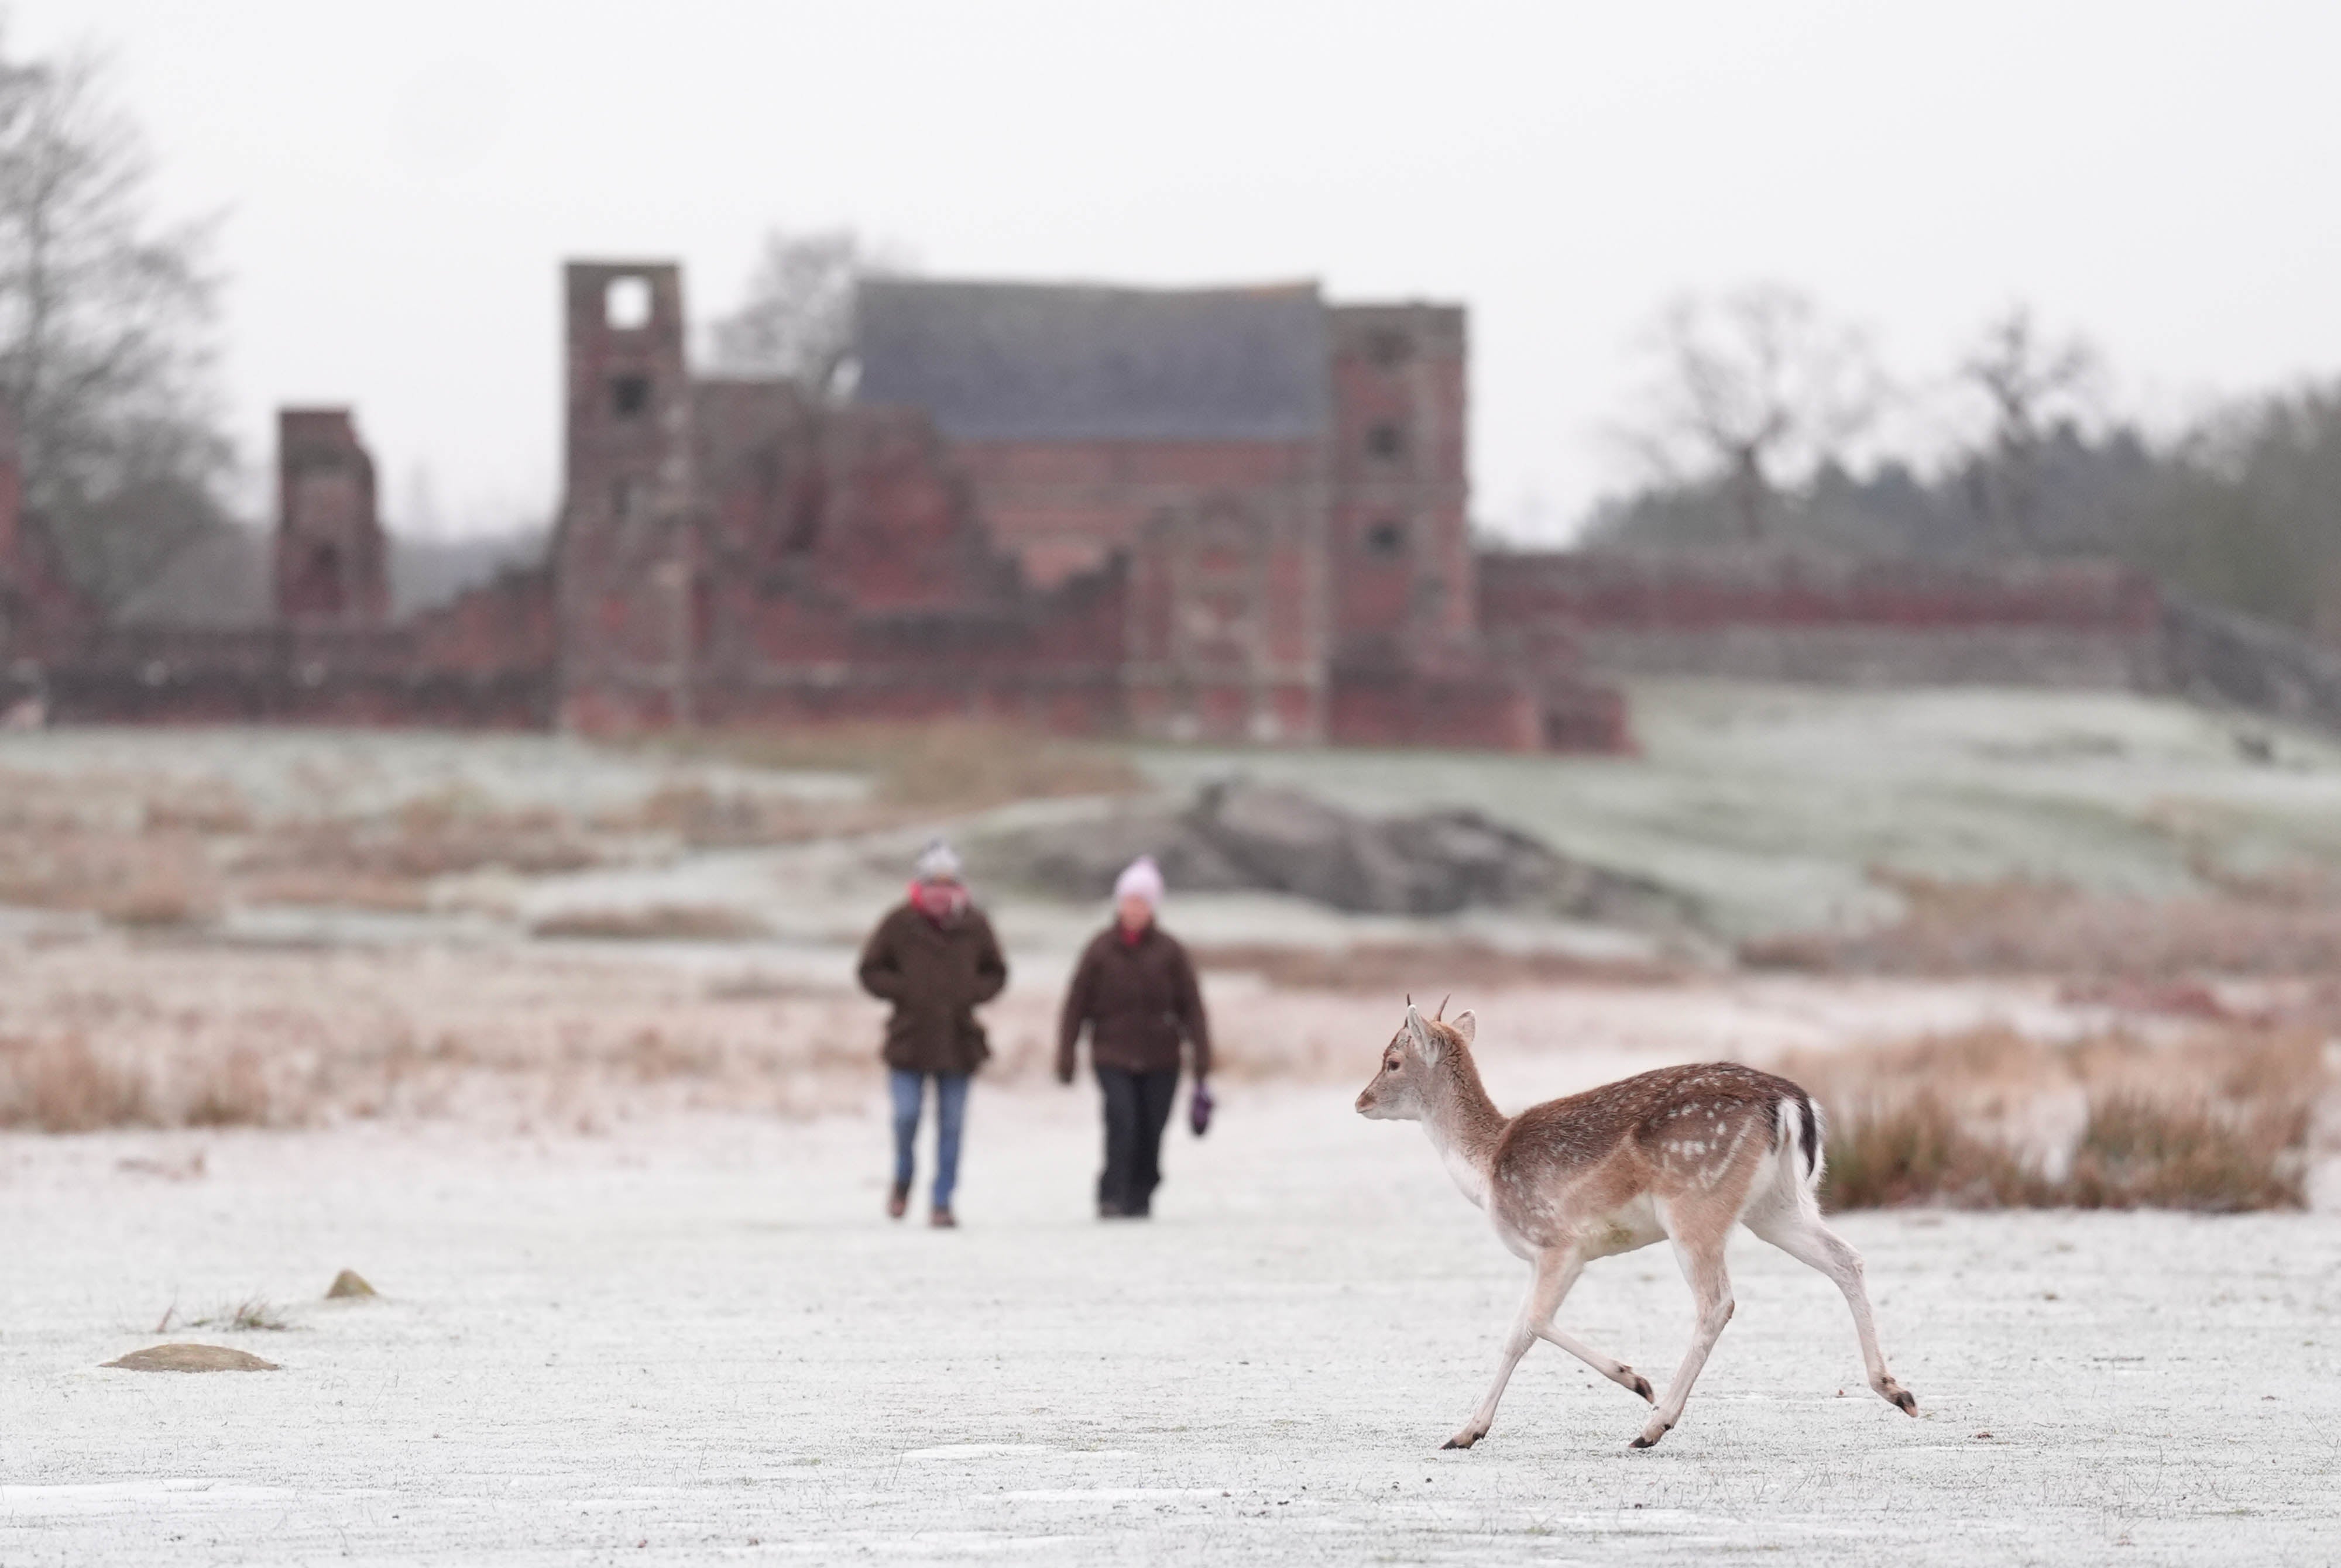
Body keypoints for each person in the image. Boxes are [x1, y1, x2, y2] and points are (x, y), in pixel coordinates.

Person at [856, 840, 1008, 1228]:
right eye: (932, 884)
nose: (940, 892)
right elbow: (870, 970)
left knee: (952, 1127)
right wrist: (903, 990)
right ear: (920, 886)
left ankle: (942, 1201)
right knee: (906, 1118)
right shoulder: (898, 923)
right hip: (909, 1039)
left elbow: (997, 972)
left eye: (947, 884)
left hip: (959, 1041)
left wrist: (971, 993)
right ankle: (903, 1179)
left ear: (958, 887)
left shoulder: (975, 924)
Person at [1055, 855, 1212, 1219]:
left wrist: (1202, 1059)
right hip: (1112, 1054)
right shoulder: (1100, 948)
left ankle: (1142, 1192)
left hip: (1162, 1058)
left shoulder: (1171, 951)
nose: (1134, 908)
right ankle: (1111, 1195)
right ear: (1119, 903)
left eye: (1142, 901)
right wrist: (1066, 1053)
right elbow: (1075, 1004)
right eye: (1129, 900)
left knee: (1152, 1129)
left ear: (1152, 906)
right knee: (1121, 1121)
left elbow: (1192, 1007)